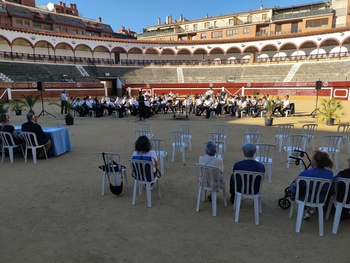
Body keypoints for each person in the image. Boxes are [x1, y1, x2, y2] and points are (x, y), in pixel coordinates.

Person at [289, 150, 334, 219]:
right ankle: (312, 208)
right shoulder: (330, 174)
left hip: (304, 197)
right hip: (321, 198)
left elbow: (297, 184)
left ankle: (308, 208)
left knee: (293, 186)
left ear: (315, 161)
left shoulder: (305, 173)